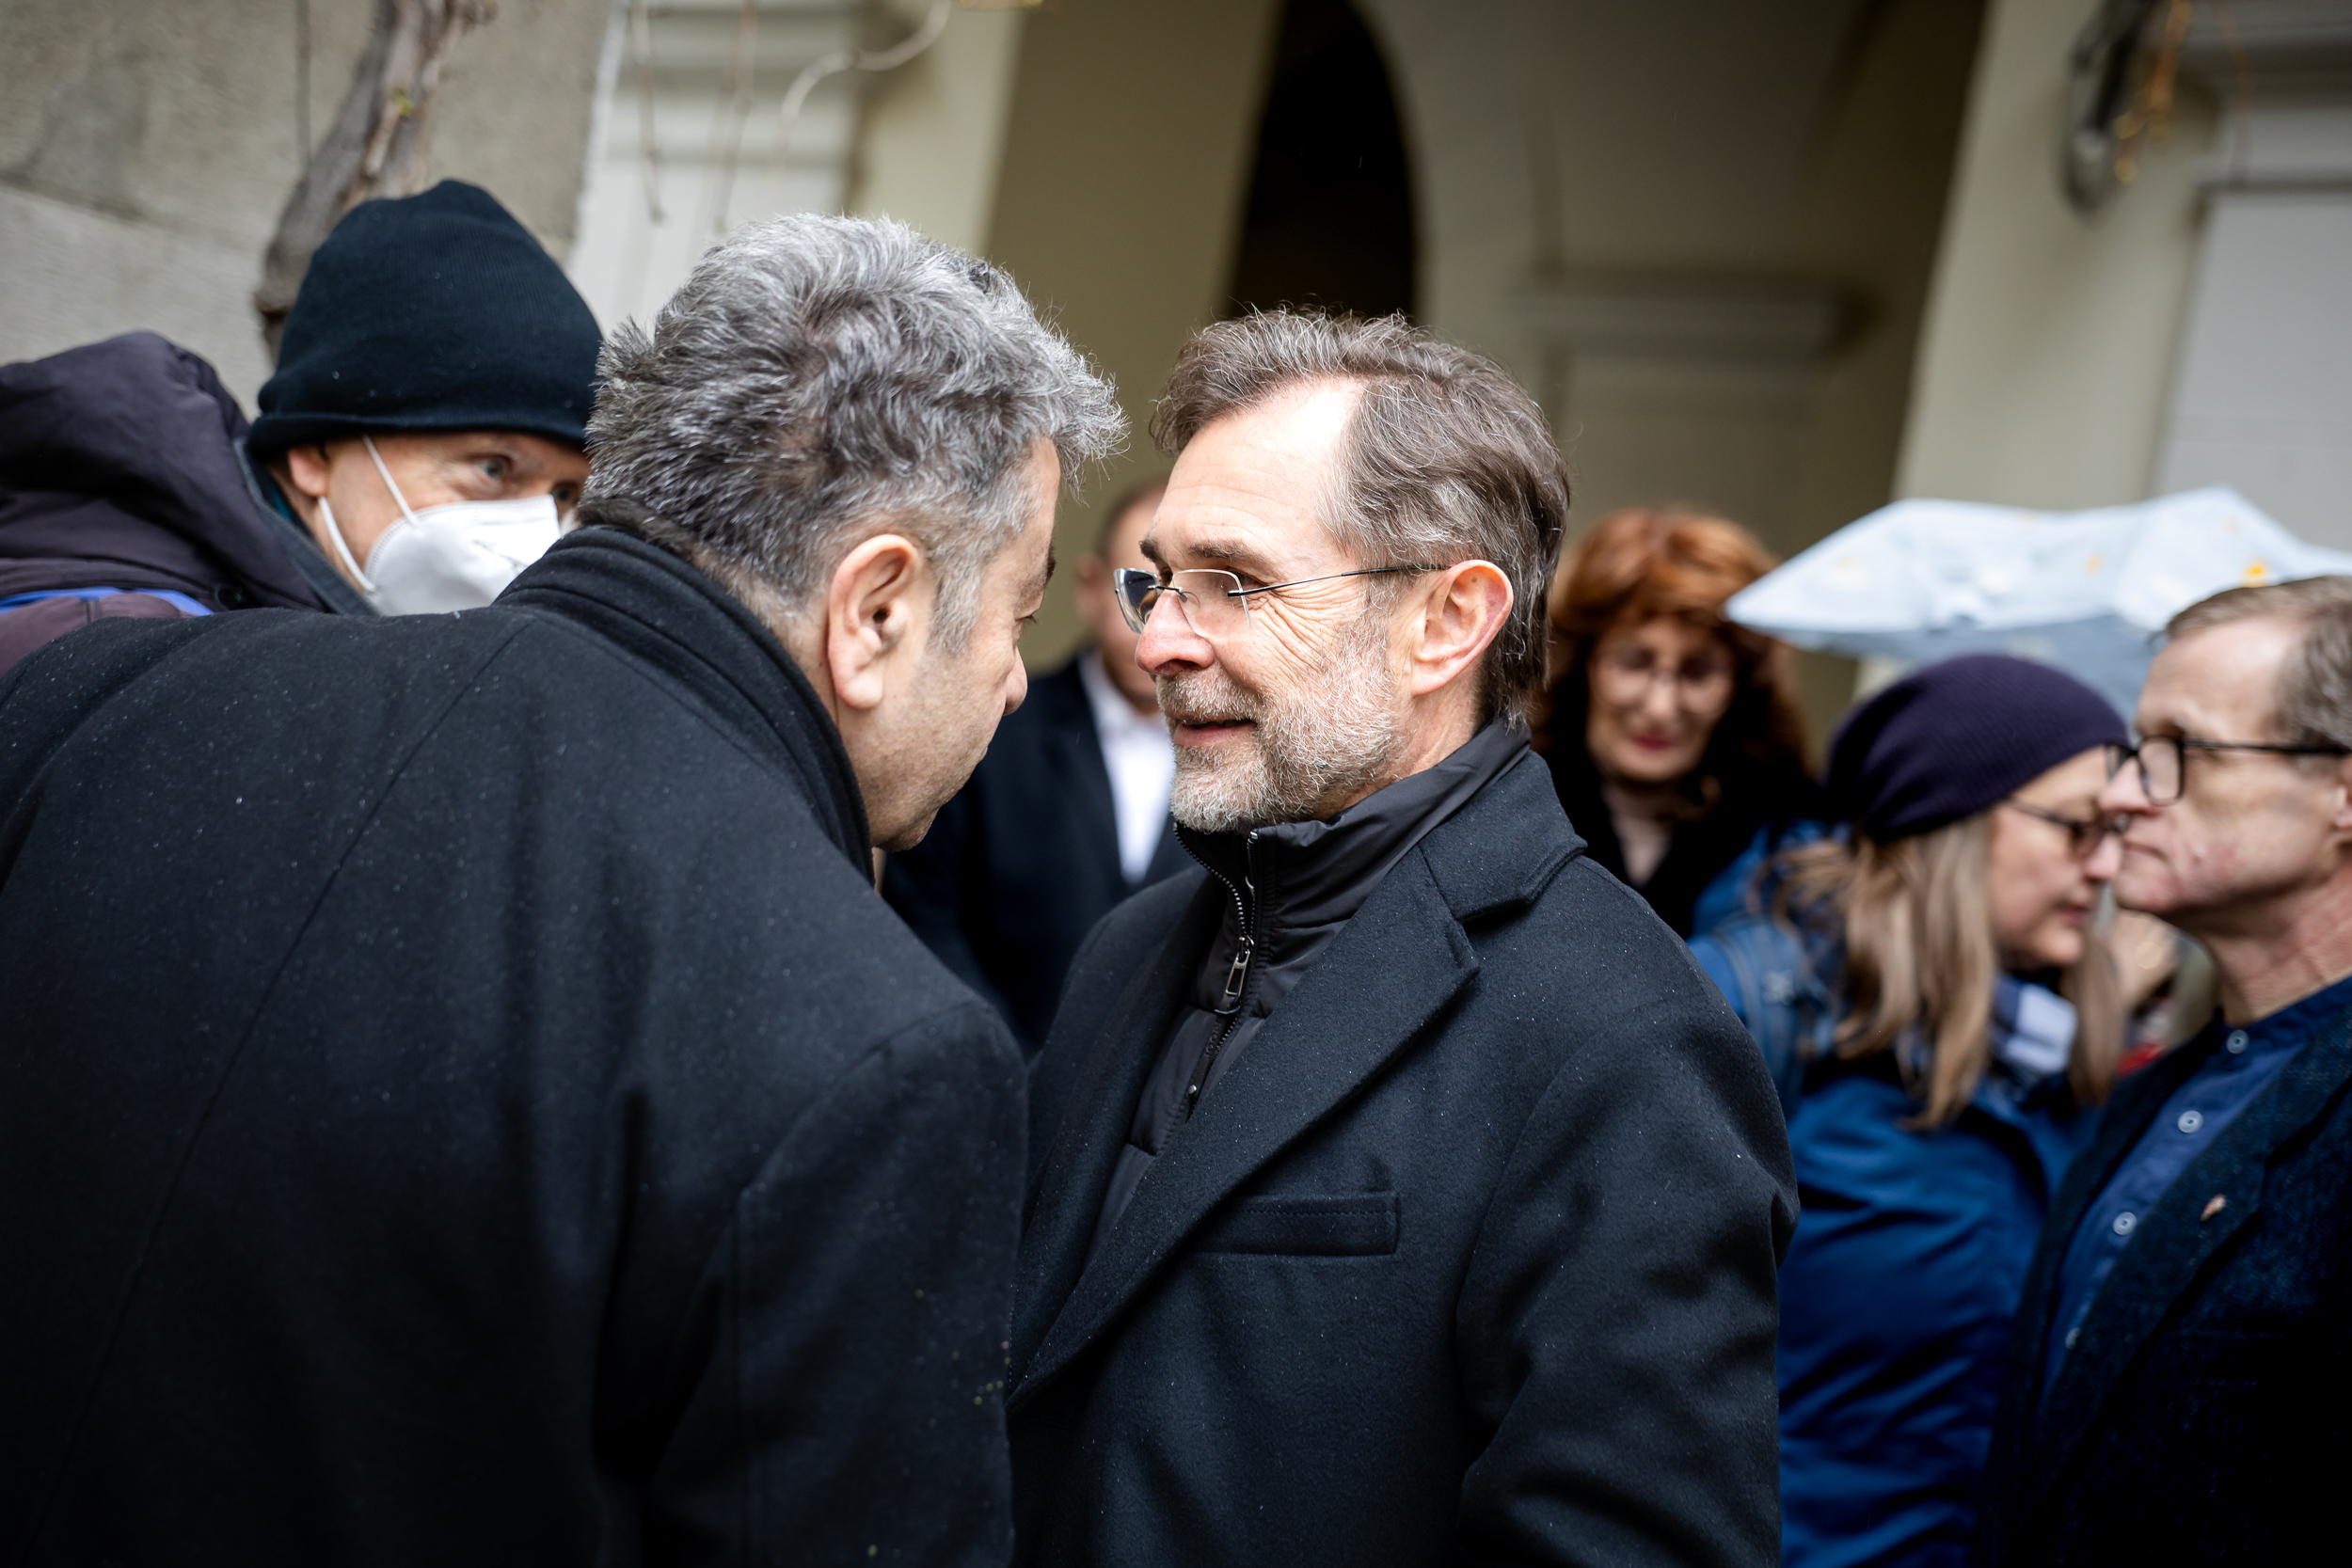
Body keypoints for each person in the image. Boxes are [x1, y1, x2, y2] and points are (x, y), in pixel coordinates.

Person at [0, 214, 1121, 1564]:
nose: (1013, 680)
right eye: (1016, 614)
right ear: (875, 608)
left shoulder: (106, 697)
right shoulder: (874, 1051)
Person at [1008, 311, 1795, 1567]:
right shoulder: (1132, 947)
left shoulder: (1626, 1044)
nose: (1158, 640)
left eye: (1237, 583)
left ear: (1447, 619)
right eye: (1162, 580)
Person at [1691, 655, 2131, 1567]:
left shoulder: (2060, 1053)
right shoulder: (1754, 1014)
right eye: (2076, 827)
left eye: (2116, 830)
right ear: (1951, 820)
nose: (2107, 864)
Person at [1979, 577, 2352, 1566]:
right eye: (2135, 748)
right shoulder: (2155, 1092)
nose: (2119, 794)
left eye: (2180, 749)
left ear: (2344, 794)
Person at [0, 180, 601, 676]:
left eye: (563, 494)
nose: (536, 537)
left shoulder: (342, 649)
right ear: (314, 453)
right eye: (493, 468)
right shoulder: (112, 654)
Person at [884, 478, 1184, 1052]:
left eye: (1185, 598)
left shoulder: (1247, 755)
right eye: (1142, 595)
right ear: (1092, 589)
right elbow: (924, 914)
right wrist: (1004, 1067)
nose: (1160, 630)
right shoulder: (992, 727)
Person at [1541, 507, 1823, 937]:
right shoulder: (1502, 804)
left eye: (1698, 671)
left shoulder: (1790, 842)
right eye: (1634, 662)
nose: (1660, 708)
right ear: (1581, 663)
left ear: (1743, 684)